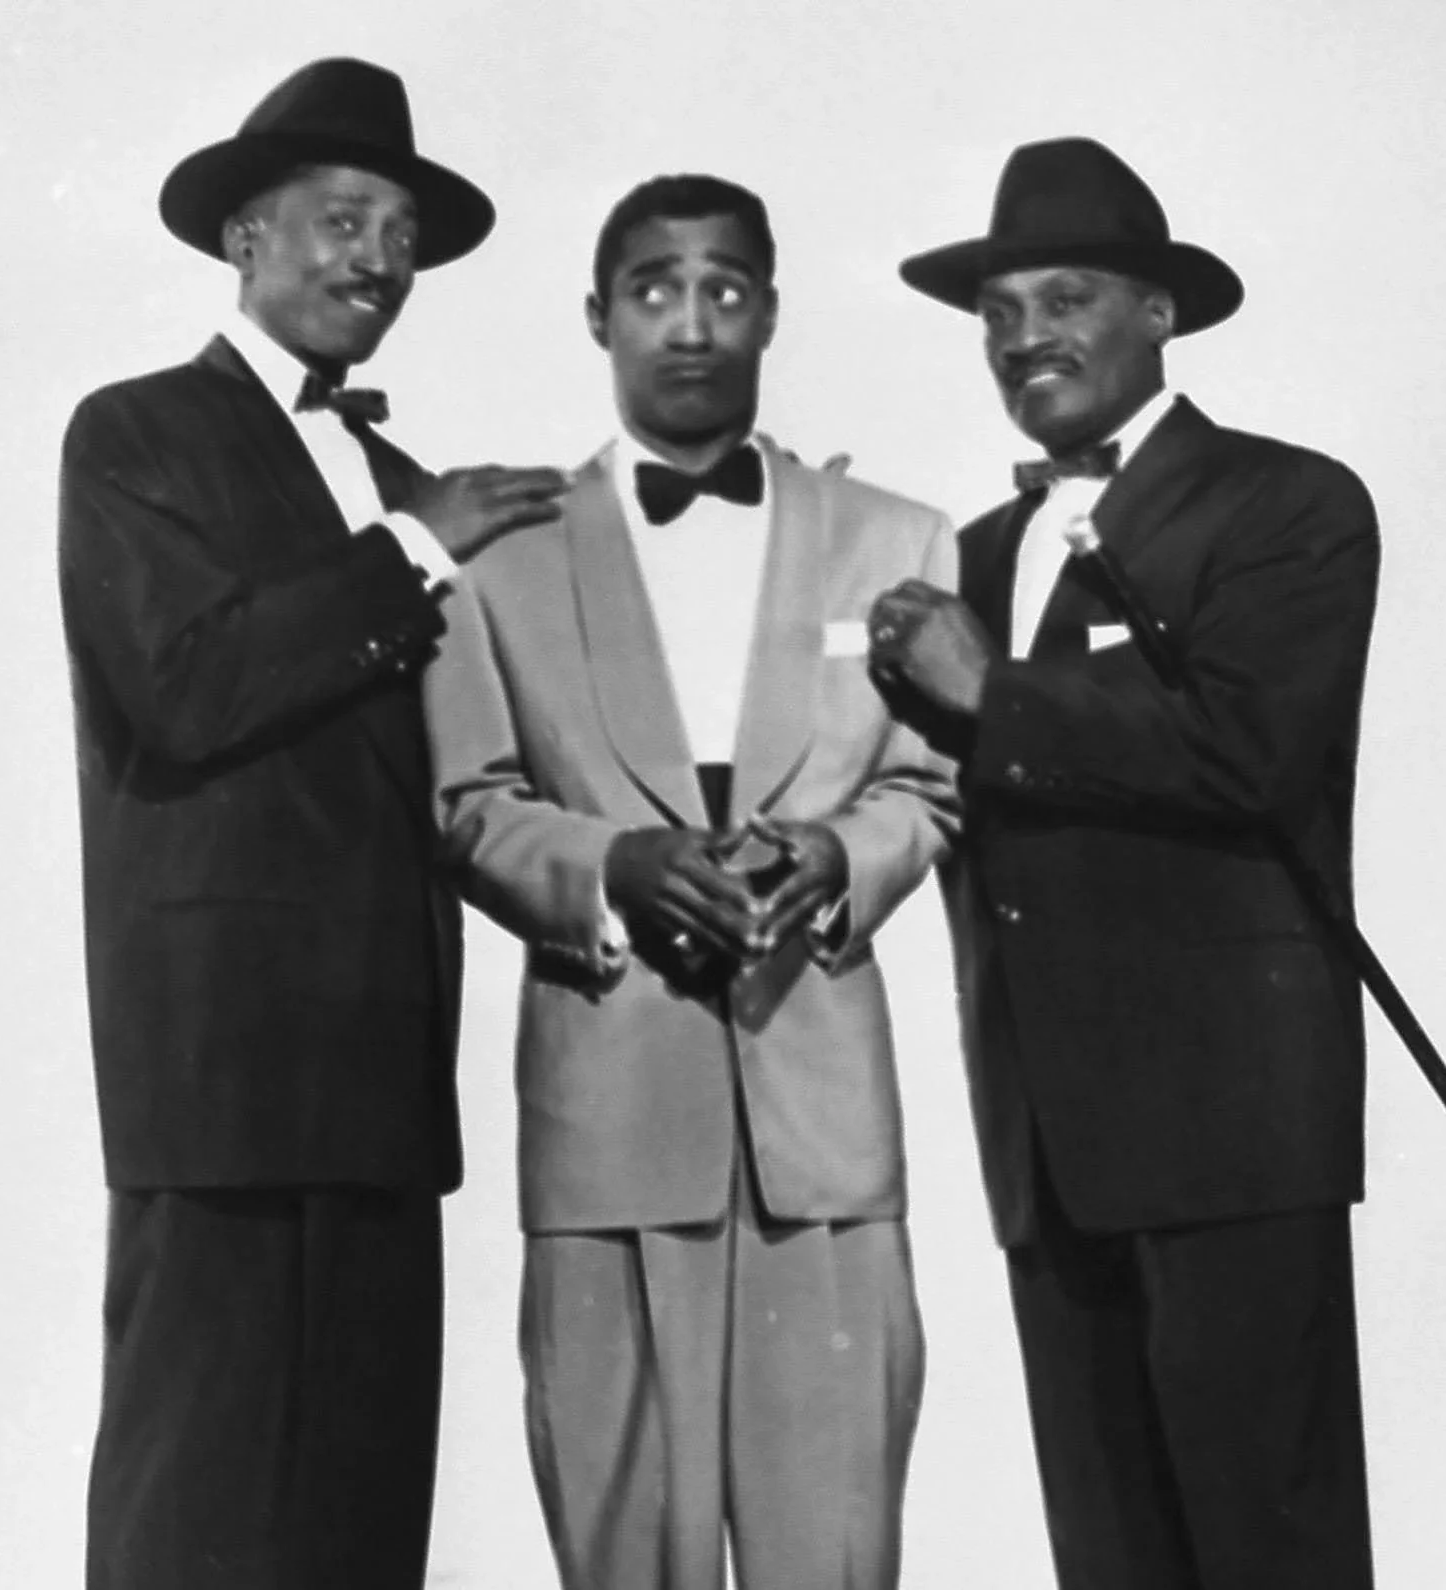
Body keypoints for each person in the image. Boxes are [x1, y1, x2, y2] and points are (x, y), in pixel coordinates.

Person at [58, 57, 568, 1590]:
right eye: (344, 219)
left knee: (357, 1526)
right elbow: (187, 687)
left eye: (402, 234)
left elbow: (472, 777)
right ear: (245, 240)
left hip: (384, 1078)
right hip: (214, 1077)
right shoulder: (134, 432)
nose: (377, 260)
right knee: (192, 1513)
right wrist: (415, 543)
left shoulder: (410, 477)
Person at [424, 173, 961, 1590]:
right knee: (620, 1557)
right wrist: (613, 866)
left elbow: (932, 783)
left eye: (724, 289)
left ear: (769, 312)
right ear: (597, 316)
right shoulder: (495, 554)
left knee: (833, 1551)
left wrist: (837, 855)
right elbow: (468, 801)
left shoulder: (897, 538)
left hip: (824, 1128)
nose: (690, 321)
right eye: (654, 288)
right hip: (609, 1119)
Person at [869, 136, 1378, 1590]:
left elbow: (1249, 748)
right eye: (1000, 311)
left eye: (1068, 295)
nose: (1026, 335)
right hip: (1044, 1133)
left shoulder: (1287, 505)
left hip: (1230, 1130)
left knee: (1266, 1546)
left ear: (1157, 313)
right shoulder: (969, 554)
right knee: (1108, 1555)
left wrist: (992, 695)